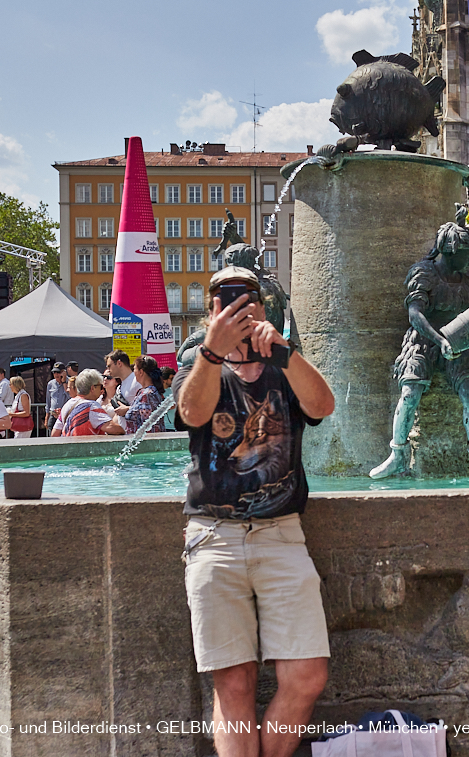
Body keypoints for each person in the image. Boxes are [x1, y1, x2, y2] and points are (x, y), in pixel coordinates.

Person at [174, 265, 335, 757]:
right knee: (235, 683)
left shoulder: (286, 368)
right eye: (227, 302)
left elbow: (324, 405)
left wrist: (284, 352)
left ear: (265, 311)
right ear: (211, 313)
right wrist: (211, 348)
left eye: (250, 302)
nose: (241, 312)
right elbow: (192, 413)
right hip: (214, 538)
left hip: (281, 534)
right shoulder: (198, 364)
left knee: (307, 675)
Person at [370, 211, 469, 481]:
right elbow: (415, 315)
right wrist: (438, 339)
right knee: (410, 392)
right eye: (467, 255)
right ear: (450, 252)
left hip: (459, 344)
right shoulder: (424, 272)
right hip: (424, 342)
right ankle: (397, 454)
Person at [63, 369, 126, 437]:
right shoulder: (91, 405)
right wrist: (122, 431)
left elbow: (55, 432)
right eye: (100, 386)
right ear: (92, 388)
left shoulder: (68, 404)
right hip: (86, 446)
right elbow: (113, 428)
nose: (101, 389)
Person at [124, 355, 167, 435]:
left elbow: (149, 427)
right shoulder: (149, 392)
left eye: (134, 369)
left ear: (141, 372)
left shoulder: (147, 395)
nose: (134, 373)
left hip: (142, 445)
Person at [45, 363, 68, 429]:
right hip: (53, 415)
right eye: (54, 372)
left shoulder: (69, 382)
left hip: (65, 415)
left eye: (58, 372)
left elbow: (71, 397)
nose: (56, 374)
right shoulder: (50, 384)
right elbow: (48, 401)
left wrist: (64, 383)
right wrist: (46, 418)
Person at [160, 366, 177, 431]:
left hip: (174, 427)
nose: (173, 381)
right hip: (164, 427)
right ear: (164, 380)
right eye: (171, 379)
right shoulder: (156, 392)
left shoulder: (174, 390)